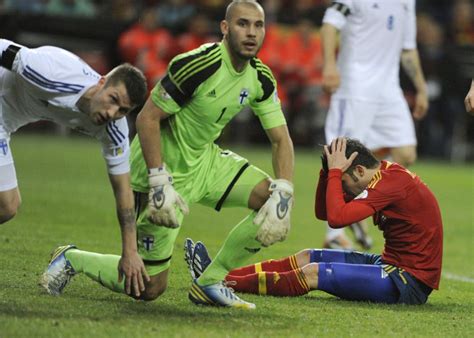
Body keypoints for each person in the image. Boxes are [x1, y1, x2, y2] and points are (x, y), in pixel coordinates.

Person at [42, 0, 295, 309]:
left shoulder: (260, 77)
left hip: (206, 162)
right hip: (159, 175)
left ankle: (210, 281)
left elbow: (281, 139)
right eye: (243, 24)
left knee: (271, 199)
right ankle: (71, 258)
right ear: (225, 28)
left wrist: (285, 191)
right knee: (149, 287)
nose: (252, 33)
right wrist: (159, 180)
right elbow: (146, 119)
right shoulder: (197, 65)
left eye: (258, 25)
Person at [186, 137, 443, 304]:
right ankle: (215, 273)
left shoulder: (390, 184)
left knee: (312, 273)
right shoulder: (380, 176)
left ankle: (220, 283)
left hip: (408, 281)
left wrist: (333, 173)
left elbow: (336, 218)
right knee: (307, 256)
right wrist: (327, 171)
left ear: (360, 171)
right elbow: (324, 212)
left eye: (343, 182)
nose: (342, 190)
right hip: (389, 264)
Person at [0, 39, 148, 296]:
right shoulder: (52, 72)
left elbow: (124, 192)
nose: (112, 112)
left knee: (7, 206)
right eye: (113, 99)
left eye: (122, 110)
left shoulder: (114, 129)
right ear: (102, 81)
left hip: (4, 124)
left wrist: (130, 252)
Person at [320, 0, 429, 250]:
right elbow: (329, 25)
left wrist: (421, 88)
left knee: (405, 152)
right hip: (354, 86)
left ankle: (362, 200)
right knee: (341, 157)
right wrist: (329, 65)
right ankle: (333, 234)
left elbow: (408, 49)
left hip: (388, 88)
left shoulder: (407, 2)